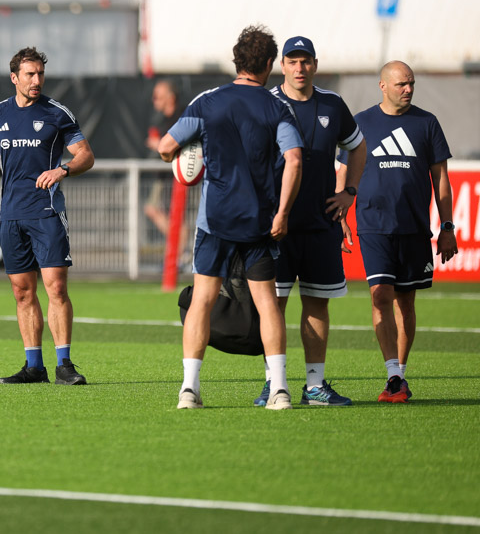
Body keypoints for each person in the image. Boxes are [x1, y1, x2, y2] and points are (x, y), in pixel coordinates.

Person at [158, 24, 303, 410]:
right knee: (268, 303)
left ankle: (189, 390)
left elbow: (166, 147)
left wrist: (193, 156)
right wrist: (283, 213)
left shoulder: (208, 102)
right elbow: (294, 159)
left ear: (236, 60)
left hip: (215, 221)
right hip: (260, 222)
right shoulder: (278, 107)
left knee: (202, 299)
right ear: (270, 64)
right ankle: (280, 390)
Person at [252, 36, 367, 407]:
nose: (300, 68)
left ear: (315, 64)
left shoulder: (332, 104)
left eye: (306, 61)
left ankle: (314, 386)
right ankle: (275, 383)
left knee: (318, 303)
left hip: (321, 224)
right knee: (275, 305)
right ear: (281, 65)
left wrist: (349, 192)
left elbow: (358, 146)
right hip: (277, 226)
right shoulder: (267, 103)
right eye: (293, 61)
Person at [337, 60, 458, 403]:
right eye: (402, 84)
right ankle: (392, 373)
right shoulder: (360, 123)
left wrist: (447, 226)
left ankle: (399, 376)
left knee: (406, 301)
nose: (408, 89)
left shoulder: (427, 123)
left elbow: (442, 181)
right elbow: (342, 172)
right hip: (374, 226)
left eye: (412, 84)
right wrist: (341, 214)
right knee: (380, 295)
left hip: (414, 227)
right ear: (383, 86)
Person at [0, 46, 95, 385]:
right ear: (14, 78)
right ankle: (33, 367)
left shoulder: (57, 113)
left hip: (46, 214)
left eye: (40, 73)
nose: (36, 80)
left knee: (55, 288)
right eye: (30, 74)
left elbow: (86, 155)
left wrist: (63, 171)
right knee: (22, 293)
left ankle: (65, 365)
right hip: (11, 216)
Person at [144, 79, 182, 236]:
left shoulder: (181, 117)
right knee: (154, 209)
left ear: (170, 98)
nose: (154, 100)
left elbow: (178, 144)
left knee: (178, 217)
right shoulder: (164, 120)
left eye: (158, 97)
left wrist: (158, 143)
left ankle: (181, 251)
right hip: (165, 176)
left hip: (177, 177)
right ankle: (179, 250)